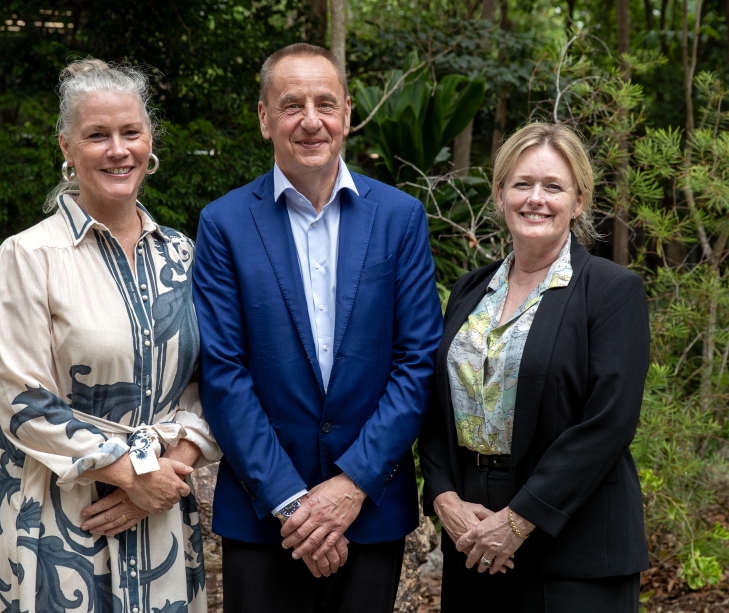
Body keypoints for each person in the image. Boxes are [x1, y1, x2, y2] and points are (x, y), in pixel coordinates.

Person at [192, 43, 443, 612]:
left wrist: (351, 485)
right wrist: (291, 503)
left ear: (347, 113)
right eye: (292, 105)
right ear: (264, 118)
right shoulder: (224, 224)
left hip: (369, 510)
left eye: (325, 103)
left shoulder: (400, 218)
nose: (311, 121)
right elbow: (223, 373)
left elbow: (417, 361)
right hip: (264, 519)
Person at [0, 59, 220, 613]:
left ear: (150, 141)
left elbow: (213, 380)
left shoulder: (183, 254)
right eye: (96, 136)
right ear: (66, 147)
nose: (118, 150)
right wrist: (132, 475)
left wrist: (164, 475)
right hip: (62, 513)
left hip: (161, 511)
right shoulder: (29, 256)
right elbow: (22, 400)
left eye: (130, 132)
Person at [419, 122, 650, 612]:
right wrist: (443, 498)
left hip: (573, 543)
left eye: (553, 187)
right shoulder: (469, 291)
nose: (535, 199)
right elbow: (436, 408)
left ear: (579, 201)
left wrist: (520, 519)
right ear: (500, 194)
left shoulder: (612, 291)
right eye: (522, 184)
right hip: (471, 535)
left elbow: (609, 422)